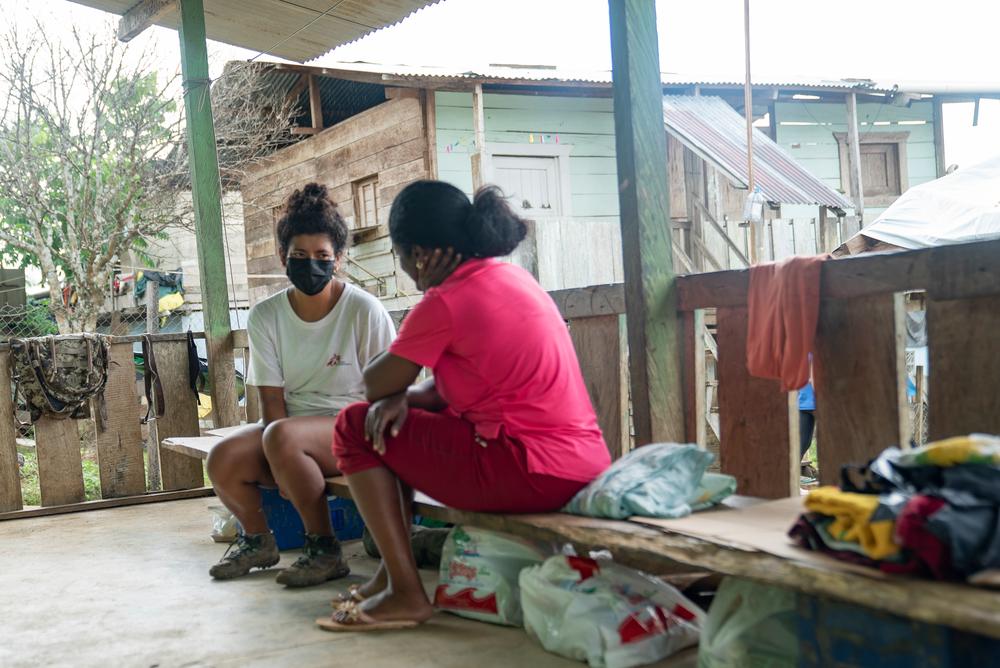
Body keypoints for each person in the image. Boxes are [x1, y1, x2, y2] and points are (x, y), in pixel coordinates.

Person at [319, 180, 611, 632]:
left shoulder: (447, 301)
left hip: (526, 470)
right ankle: (390, 573)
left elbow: (374, 383)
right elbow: (453, 387)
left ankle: (405, 592)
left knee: (355, 427)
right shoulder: (512, 277)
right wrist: (405, 397)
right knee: (391, 424)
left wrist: (396, 391)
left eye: (401, 256)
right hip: (580, 463)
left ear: (418, 253)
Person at [206, 183, 395, 586]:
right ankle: (258, 541)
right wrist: (280, 460)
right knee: (222, 458)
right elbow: (272, 402)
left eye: (322, 257)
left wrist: (283, 447)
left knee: (282, 437)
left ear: (339, 259)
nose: (312, 265)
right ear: (282, 258)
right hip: (288, 431)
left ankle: (324, 549)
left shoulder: (364, 310)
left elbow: (388, 392)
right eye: (300, 256)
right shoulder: (266, 315)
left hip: (355, 427)